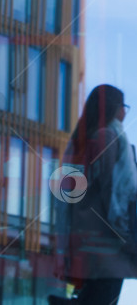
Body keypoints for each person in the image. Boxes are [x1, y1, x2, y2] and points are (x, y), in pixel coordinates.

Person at [53, 84, 137, 304]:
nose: (126, 112)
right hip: (108, 248)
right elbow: (114, 194)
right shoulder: (108, 137)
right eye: (124, 106)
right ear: (114, 107)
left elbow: (65, 198)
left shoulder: (79, 142)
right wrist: (128, 238)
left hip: (85, 245)